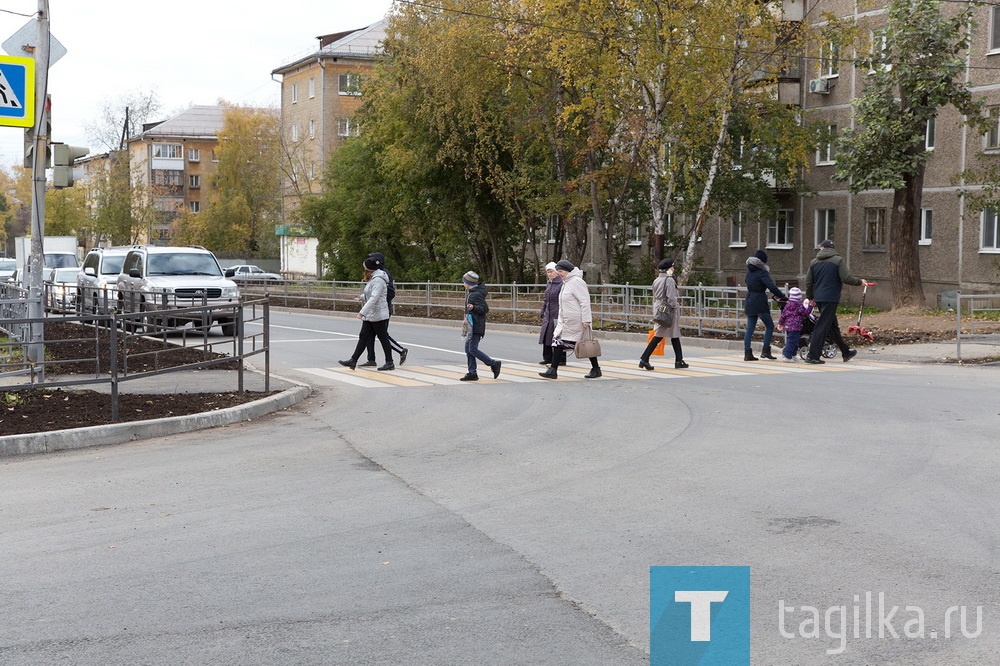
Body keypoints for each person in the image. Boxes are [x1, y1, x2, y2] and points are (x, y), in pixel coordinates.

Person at [804, 239, 872, 364]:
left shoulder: (813, 262)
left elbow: (808, 282)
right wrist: (860, 282)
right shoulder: (838, 260)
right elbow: (846, 277)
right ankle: (812, 355)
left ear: (822, 248)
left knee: (831, 325)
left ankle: (846, 352)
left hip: (819, 298)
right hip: (831, 298)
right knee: (822, 326)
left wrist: (810, 297)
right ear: (832, 248)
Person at [539, 259, 601, 379]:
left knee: (585, 344)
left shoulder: (577, 281)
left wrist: (586, 319)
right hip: (566, 321)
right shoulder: (566, 282)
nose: (559, 273)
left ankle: (596, 368)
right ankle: (553, 370)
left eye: (561, 271)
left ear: (567, 271)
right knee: (558, 342)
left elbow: (584, 301)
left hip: (578, 321)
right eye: (558, 271)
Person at [338, 256, 395, 371]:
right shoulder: (374, 278)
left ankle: (389, 362)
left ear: (369, 269)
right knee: (363, 336)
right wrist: (360, 297)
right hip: (372, 314)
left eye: (365, 269)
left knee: (383, 337)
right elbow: (370, 294)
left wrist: (362, 313)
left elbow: (374, 298)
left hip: (378, 313)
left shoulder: (378, 280)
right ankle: (353, 360)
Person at [639, 258, 688, 370]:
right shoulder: (669, 280)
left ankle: (679, 360)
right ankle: (644, 359)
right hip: (668, 310)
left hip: (659, 308)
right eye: (672, 267)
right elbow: (671, 297)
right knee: (659, 335)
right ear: (668, 269)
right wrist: (675, 306)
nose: (673, 269)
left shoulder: (657, 280)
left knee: (674, 335)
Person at [361, 252, 409, 367]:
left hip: (383, 310)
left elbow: (390, 293)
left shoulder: (383, 274)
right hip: (373, 310)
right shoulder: (374, 274)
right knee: (368, 335)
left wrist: (379, 301)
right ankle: (371, 359)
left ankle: (401, 351)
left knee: (382, 334)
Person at [743, 249, 785, 361]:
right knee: (770, 326)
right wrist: (782, 296)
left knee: (750, 328)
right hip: (760, 301)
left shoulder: (748, 271)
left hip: (749, 300)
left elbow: (747, 282)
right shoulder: (762, 273)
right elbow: (772, 287)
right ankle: (766, 350)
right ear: (762, 262)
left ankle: (747, 353)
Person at [460, 271, 502, 381]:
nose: (463, 284)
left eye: (464, 282)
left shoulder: (476, 294)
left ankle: (493, 364)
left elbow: (485, 309)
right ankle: (472, 373)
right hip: (470, 326)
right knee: (468, 350)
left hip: (476, 326)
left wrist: (473, 308)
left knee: (472, 349)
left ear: (468, 283)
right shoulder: (472, 292)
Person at [776, 287, 812, 362]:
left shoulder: (787, 305)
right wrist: (810, 306)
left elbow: (783, 315)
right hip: (796, 326)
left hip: (788, 326)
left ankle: (792, 355)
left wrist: (780, 323)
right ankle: (787, 356)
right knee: (793, 342)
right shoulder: (799, 305)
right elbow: (806, 313)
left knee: (793, 341)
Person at [538, 262, 563, 365]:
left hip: (557, 312)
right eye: (548, 272)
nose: (549, 274)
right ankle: (547, 357)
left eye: (551, 271)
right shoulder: (549, 283)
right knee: (546, 335)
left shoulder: (561, 283)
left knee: (558, 336)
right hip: (548, 313)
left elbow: (562, 299)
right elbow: (546, 299)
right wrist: (543, 310)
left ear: (556, 272)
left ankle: (561, 359)